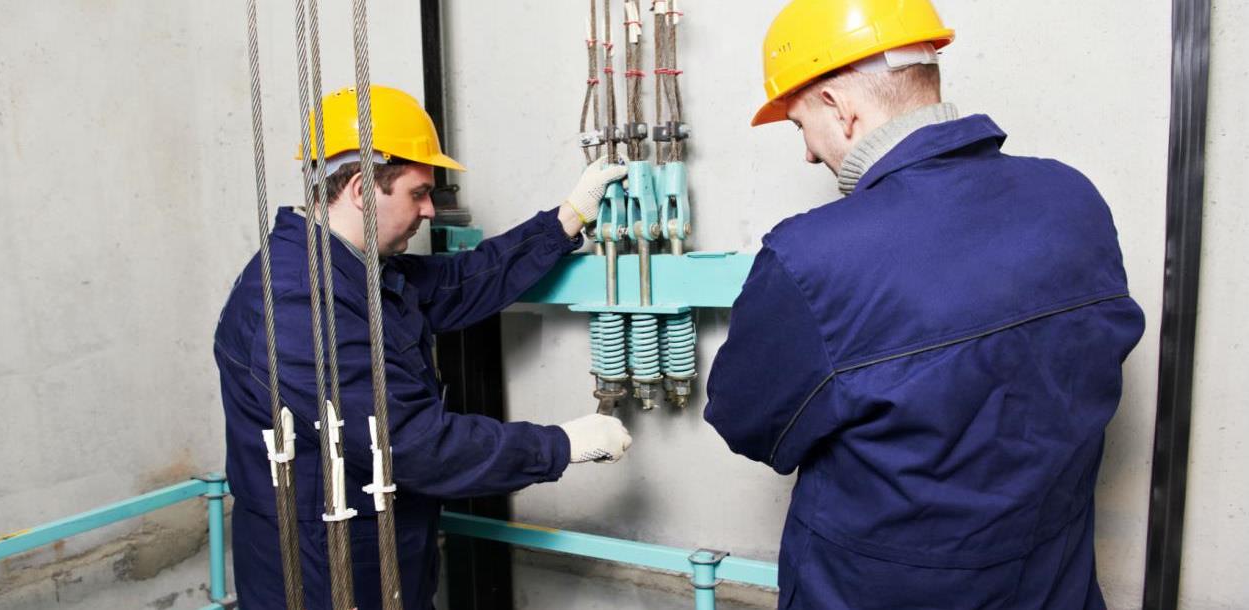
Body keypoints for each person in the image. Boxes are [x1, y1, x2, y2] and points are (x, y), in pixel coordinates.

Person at [704, 2, 1145, 608]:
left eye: (799, 124)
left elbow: (744, 422)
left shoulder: (812, 257)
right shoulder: (1073, 197)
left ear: (838, 105)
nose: (808, 153)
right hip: (1052, 587)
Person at [214, 85, 632, 609]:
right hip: (326, 574)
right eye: (418, 193)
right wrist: (560, 445)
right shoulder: (299, 304)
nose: (432, 211)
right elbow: (410, 444)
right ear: (365, 190)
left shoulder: (356, 271)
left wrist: (569, 217)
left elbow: (462, 280)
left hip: (387, 550)